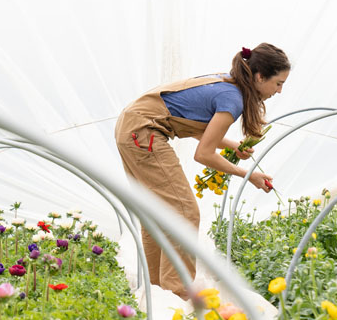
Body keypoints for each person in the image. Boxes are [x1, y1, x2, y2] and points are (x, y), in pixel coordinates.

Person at [114, 43, 290, 299]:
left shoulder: (227, 83)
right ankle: (177, 292)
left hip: (132, 127)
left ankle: (155, 294)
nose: (280, 91)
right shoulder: (233, 98)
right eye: (278, 83)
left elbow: (196, 127)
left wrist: (232, 145)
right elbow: (204, 154)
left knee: (156, 213)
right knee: (185, 212)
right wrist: (248, 176)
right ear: (260, 77)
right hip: (144, 132)